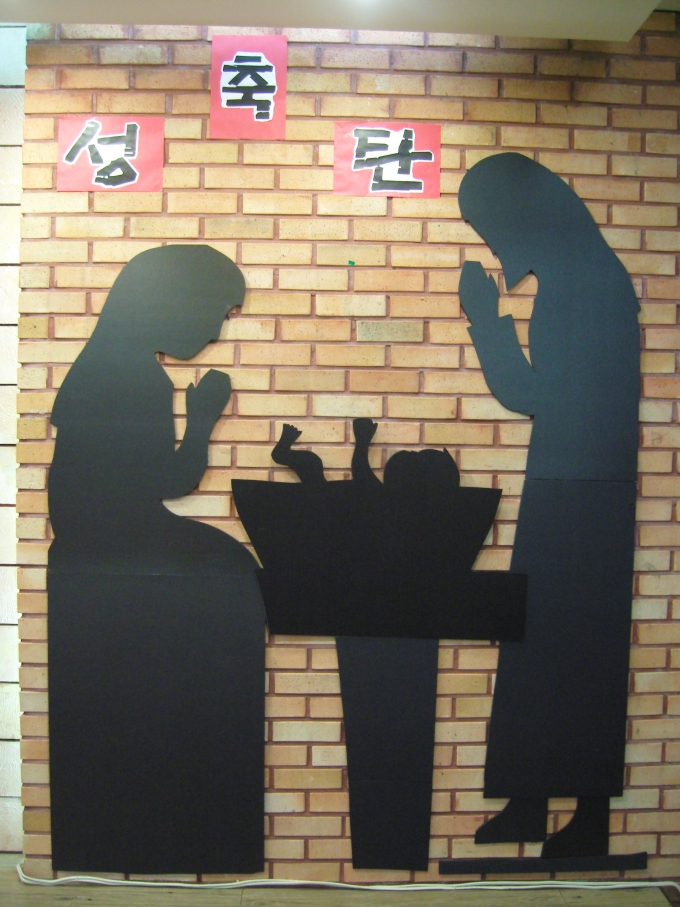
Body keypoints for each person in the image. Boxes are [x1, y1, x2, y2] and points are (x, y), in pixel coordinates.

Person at [458, 152, 640, 857]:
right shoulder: (585, 276)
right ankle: (531, 801)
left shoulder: (587, 284)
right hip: (573, 486)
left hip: (584, 495)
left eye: (493, 228)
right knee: (545, 642)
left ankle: (583, 816)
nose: (496, 245)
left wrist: (485, 321)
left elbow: (535, 395)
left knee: (577, 648)